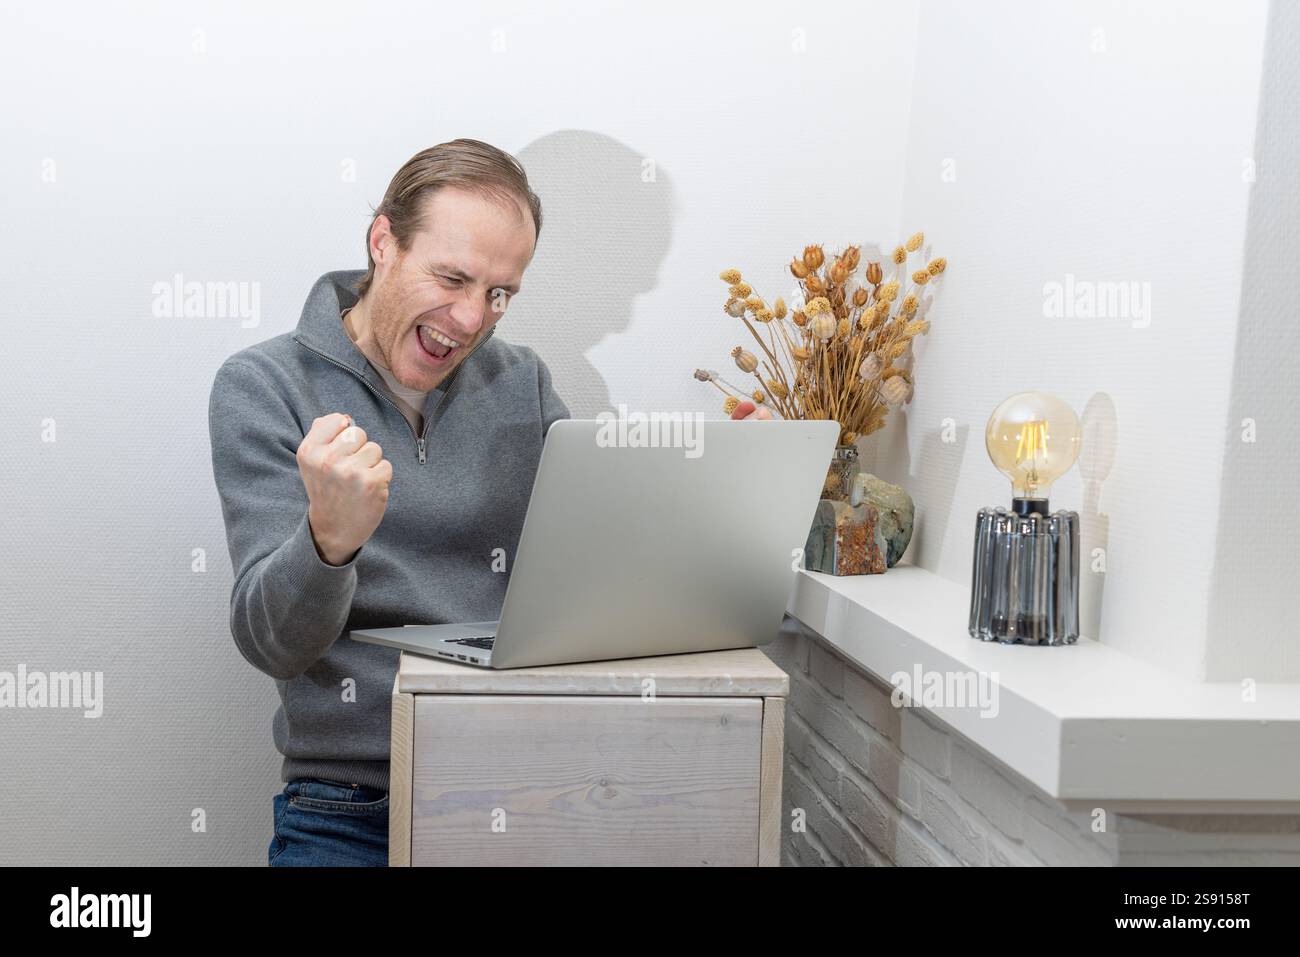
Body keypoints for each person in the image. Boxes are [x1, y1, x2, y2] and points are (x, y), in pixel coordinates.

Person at [209, 139, 771, 867]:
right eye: (452, 277)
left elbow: (600, 582)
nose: (472, 319)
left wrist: (715, 501)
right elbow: (271, 642)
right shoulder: (264, 387)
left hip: (532, 784)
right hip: (350, 806)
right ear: (384, 242)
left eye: (500, 293)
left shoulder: (524, 384)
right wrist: (328, 542)